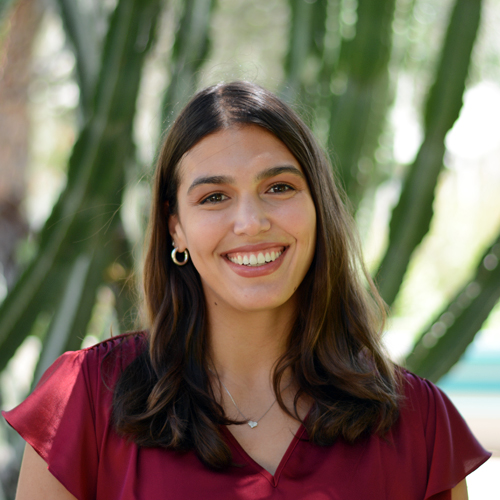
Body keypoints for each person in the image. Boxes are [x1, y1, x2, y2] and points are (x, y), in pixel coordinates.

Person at [3, 81, 490, 499]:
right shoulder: (85, 401)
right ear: (176, 229)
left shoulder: (419, 424)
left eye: (278, 187)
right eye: (214, 197)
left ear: (317, 206)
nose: (251, 223)